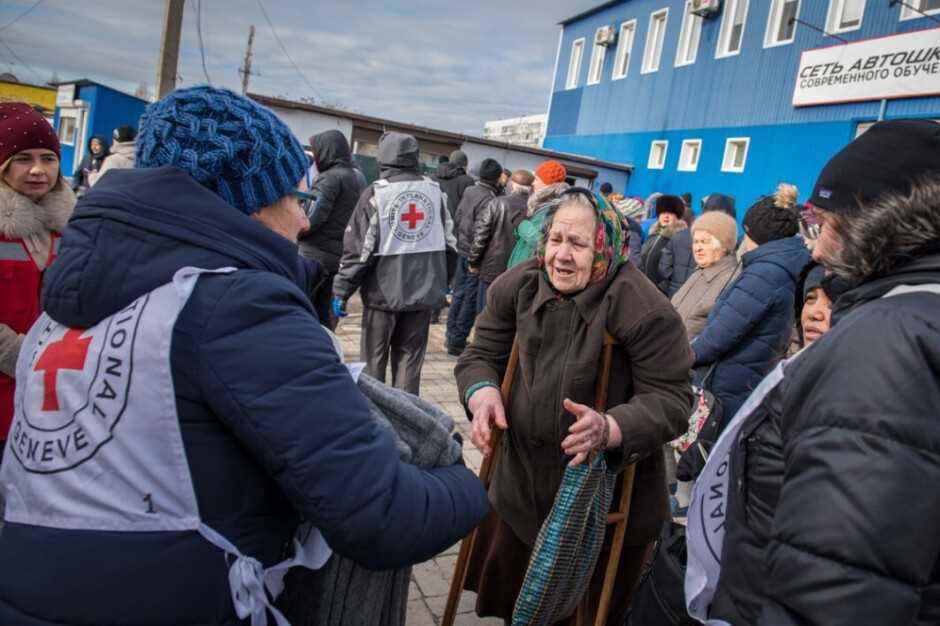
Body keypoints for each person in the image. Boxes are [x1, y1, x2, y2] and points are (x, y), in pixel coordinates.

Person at [0, 87, 487, 626]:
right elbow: (381, 515)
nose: (303, 222)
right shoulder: (235, 305)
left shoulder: (67, 297)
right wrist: (471, 484)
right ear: (249, 201)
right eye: (294, 199)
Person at [457, 189, 693, 625]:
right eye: (555, 240)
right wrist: (482, 392)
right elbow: (479, 354)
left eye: (578, 244)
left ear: (604, 247)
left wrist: (611, 427)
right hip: (521, 483)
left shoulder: (643, 308)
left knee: (580, 614)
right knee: (517, 603)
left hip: (599, 505)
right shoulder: (518, 285)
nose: (561, 256)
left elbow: (673, 399)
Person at [749, 119, 940, 625]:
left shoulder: (886, 344)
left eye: (827, 225)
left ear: (880, 226)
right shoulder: (918, 318)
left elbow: (837, 579)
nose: (814, 248)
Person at [334, 131, 457, 394]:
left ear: (384, 158)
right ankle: (407, 423)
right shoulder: (436, 192)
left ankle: (375, 420)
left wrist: (341, 291)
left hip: (382, 295)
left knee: (373, 365)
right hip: (423, 297)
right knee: (409, 367)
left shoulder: (377, 193)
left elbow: (359, 250)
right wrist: (443, 284)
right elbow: (450, 244)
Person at [690, 187, 810, 428]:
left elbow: (720, 335)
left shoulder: (765, 274)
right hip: (745, 379)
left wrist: (680, 357)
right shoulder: (779, 266)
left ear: (755, 235)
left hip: (730, 386)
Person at [0, 102, 76, 464]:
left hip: (49, 391)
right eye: (22, 158)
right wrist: (19, 355)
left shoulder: (71, 228)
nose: (37, 170)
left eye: (48, 158)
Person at [298, 129, 366, 329]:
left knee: (304, 311)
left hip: (315, 256)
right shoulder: (358, 177)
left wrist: (294, 229)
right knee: (325, 316)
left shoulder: (330, 178)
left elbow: (311, 219)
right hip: (340, 255)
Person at [445, 157, 501, 356]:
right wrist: (476, 258)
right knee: (468, 297)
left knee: (458, 292)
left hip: (462, 248)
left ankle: (450, 334)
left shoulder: (470, 191)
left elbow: (458, 217)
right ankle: (457, 340)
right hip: (474, 255)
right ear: (496, 178)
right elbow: (482, 231)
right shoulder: (490, 200)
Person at [468, 169, 533, 312]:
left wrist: (473, 262)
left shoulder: (497, 203)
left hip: (492, 268)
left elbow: (481, 235)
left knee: (485, 312)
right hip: (517, 271)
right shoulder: (533, 210)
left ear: (513, 185)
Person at [670, 210, 740, 340]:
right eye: (695, 242)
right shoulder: (699, 272)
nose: (697, 248)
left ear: (724, 245)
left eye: (705, 242)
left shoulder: (731, 280)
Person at [506, 159, 570, 269]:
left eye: (536, 179)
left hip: (527, 269)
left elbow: (541, 241)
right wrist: (520, 227)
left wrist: (521, 224)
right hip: (522, 266)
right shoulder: (542, 203)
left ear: (546, 183)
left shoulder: (552, 208)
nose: (533, 183)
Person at [640, 194, 685, 293]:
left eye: (670, 213)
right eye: (663, 212)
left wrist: (660, 289)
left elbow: (678, 272)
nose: (666, 216)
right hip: (643, 288)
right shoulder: (653, 234)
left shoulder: (679, 238)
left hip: (658, 294)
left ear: (677, 216)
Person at [433, 149, 474, 221]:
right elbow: (468, 209)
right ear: (464, 166)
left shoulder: (433, 177)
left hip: (436, 221)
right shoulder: (467, 181)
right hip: (454, 225)